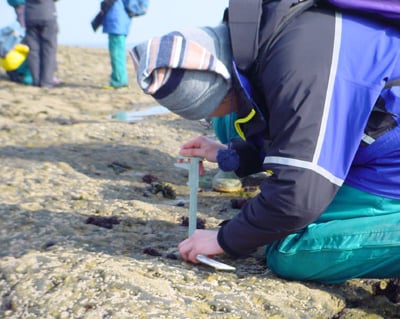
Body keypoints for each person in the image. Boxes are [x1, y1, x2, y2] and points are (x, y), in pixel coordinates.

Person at [130, 3, 400, 284]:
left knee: (292, 250)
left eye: (208, 110)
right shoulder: (274, 36)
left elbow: (298, 198)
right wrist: (231, 155)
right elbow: (303, 132)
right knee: (272, 224)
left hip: (388, 164)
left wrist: (225, 239)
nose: (211, 117)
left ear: (224, 87)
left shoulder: (303, 66)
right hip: (380, 149)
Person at [100, 0, 148, 89]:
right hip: (120, 22)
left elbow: (130, 4)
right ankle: (120, 80)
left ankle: (118, 81)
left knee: (117, 54)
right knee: (118, 53)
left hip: (116, 22)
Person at [24, 0, 58, 88]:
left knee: (33, 50)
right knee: (49, 49)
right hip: (47, 13)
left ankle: (36, 80)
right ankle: (46, 82)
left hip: (30, 14)